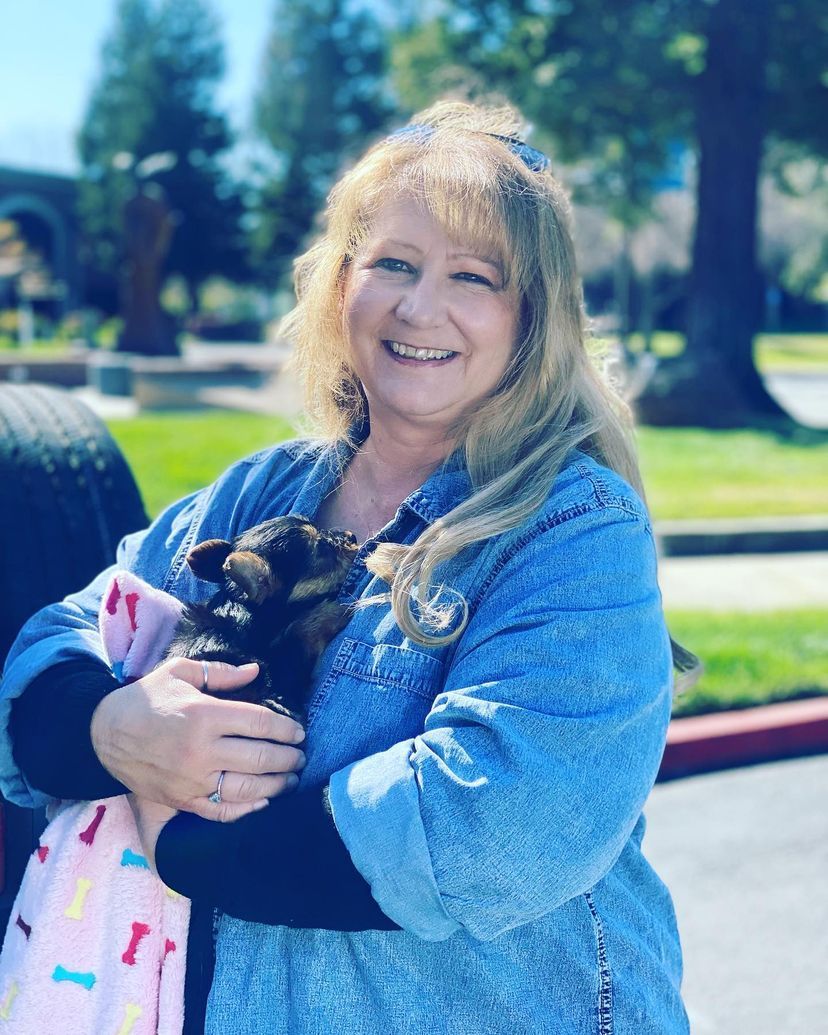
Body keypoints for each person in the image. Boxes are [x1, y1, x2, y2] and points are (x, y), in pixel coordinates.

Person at [0, 100, 691, 1033]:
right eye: (393, 264)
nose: (420, 306)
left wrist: (184, 844)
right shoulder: (259, 492)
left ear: (532, 317)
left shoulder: (572, 525)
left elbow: (497, 827)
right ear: (340, 286)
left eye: (473, 276)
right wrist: (112, 729)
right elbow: (57, 642)